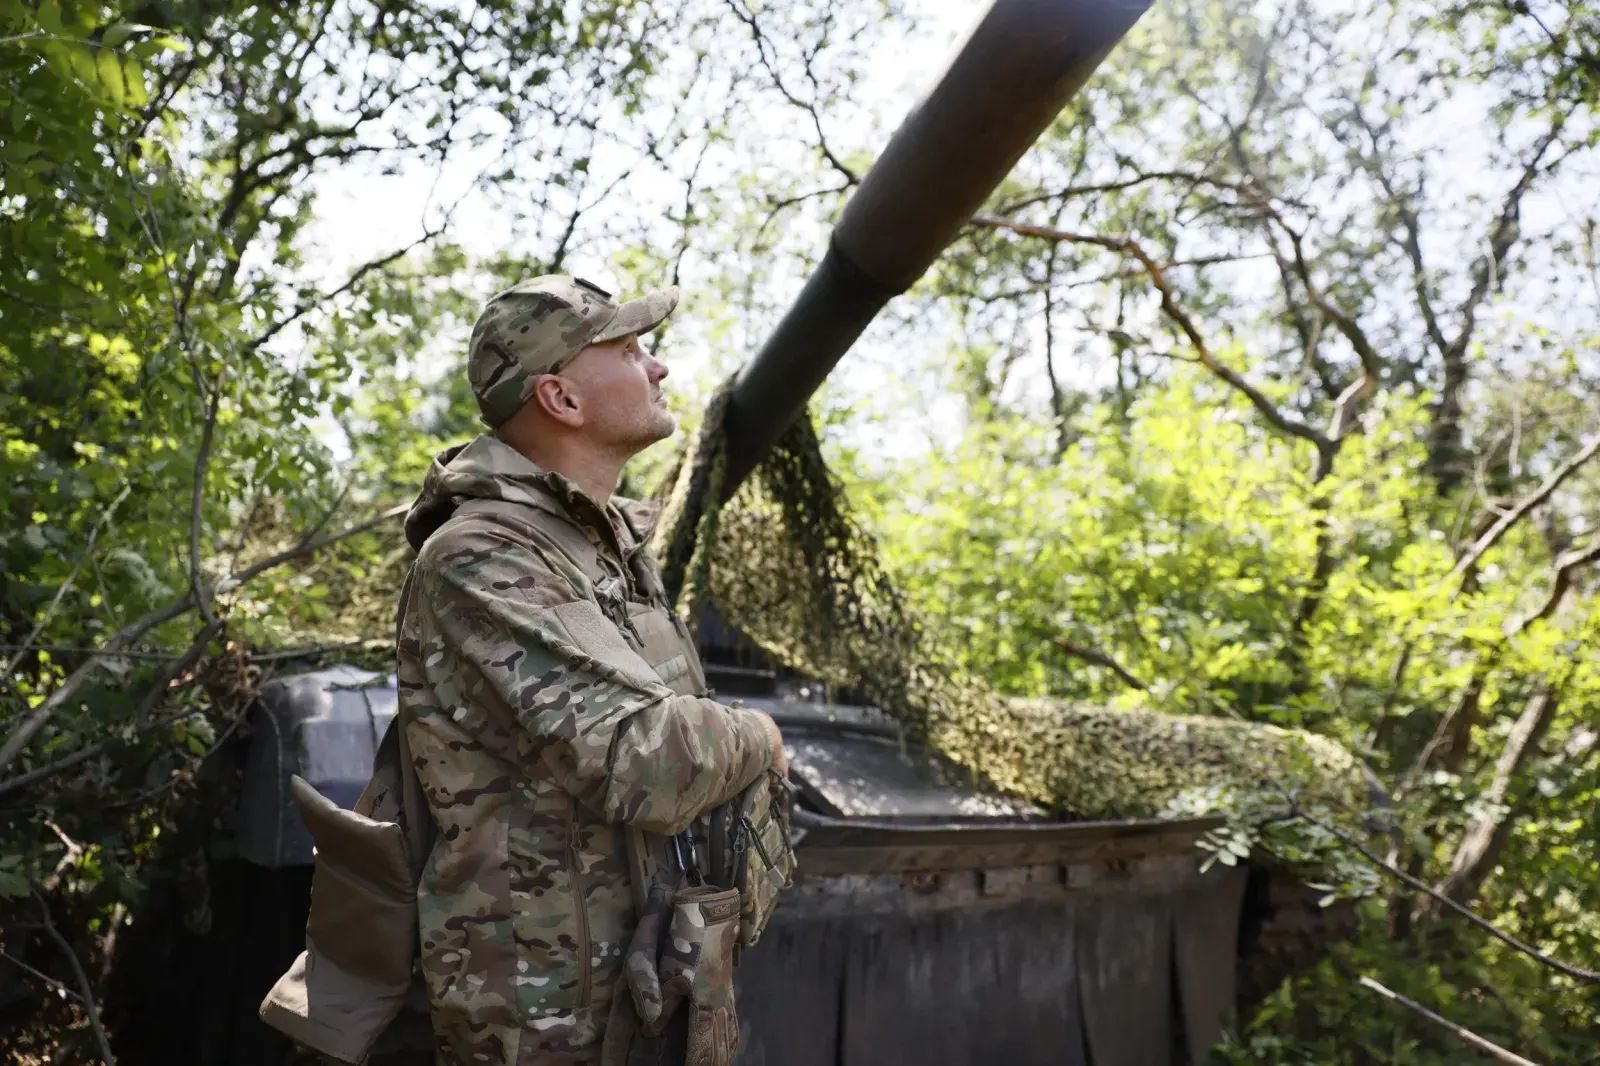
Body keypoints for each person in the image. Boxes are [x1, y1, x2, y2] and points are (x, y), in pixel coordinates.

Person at [394, 275, 787, 1065]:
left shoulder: (597, 546)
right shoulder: (483, 555)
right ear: (561, 399)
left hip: (645, 991)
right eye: (631, 350)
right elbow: (646, 759)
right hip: (547, 1019)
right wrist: (762, 736)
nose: (659, 368)